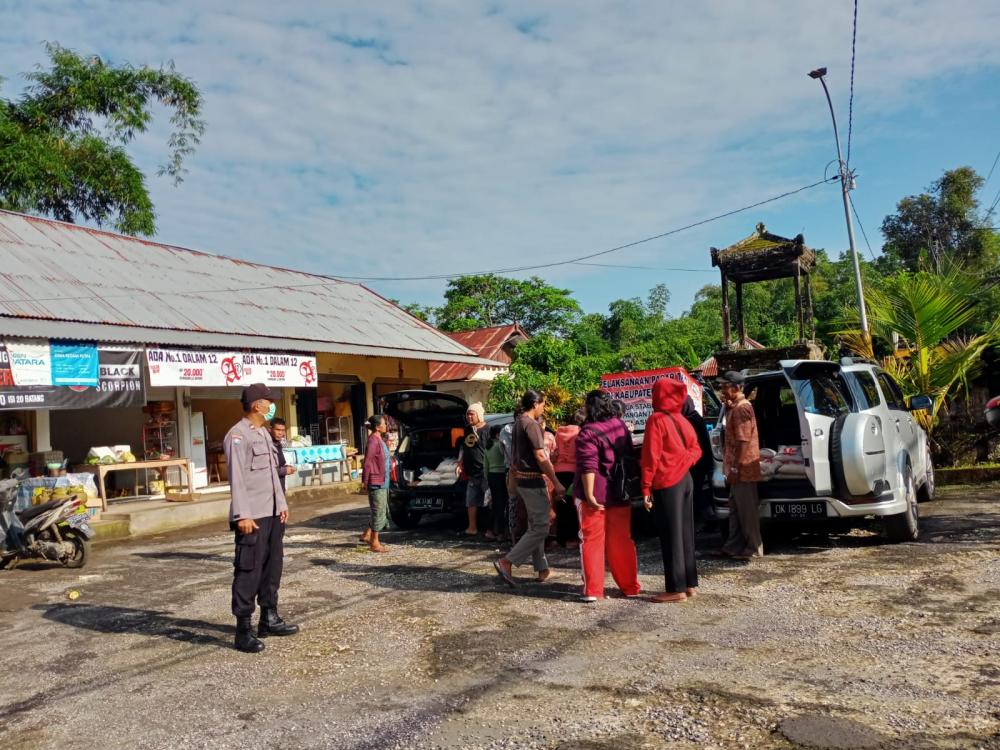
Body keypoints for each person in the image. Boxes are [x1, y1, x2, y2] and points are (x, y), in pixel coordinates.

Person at [225, 383, 299, 653]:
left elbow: (271, 474)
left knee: (272, 566)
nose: (271, 406)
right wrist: (242, 513)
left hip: (272, 513)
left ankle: (269, 617)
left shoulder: (265, 435)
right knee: (249, 570)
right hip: (252, 516)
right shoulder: (238, 436)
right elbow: (237, 479)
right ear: (257, 405)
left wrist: (281, 503)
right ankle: (243, 630)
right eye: (269, 401)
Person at [574, 390, 641, 602]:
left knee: (592, 540)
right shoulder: (619, 425)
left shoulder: (587, 432)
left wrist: (590, 494)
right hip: (620, 491)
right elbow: (629, 454)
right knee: (622, 540)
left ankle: (594, 590)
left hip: (597, 493)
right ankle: (630, 586)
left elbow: (588, 466)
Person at [641, 378, 703, 603]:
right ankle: (689, 584)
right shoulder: (683, 419)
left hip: (668, 482)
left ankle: (675, 588)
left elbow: (650, 457)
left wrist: (645, 486)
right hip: (686, 480)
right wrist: (684, 462)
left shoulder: (656, 420)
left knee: (671, 534)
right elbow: (697, 450)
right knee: (686, 533)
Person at [493, 391, 565, 586]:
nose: (544, 408)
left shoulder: (517, 423)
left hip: (521, 480)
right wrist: (556, 482)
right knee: (542, 526)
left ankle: (542, 569)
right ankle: (507, 561)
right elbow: (541, 457)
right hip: (532, 480)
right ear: (535, 404)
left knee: (535, 525)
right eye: (543, 404)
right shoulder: (531, 425)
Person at [717, 371, 763, 560]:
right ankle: (733, 546)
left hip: (743, 469)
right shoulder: (734, 407)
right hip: (736, 468)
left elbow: (743, 440)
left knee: (747, 511)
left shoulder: (743, 409)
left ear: (736, 388)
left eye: (725, 387)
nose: (722, 390)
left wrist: (736, 468)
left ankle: (754, 548)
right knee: (736, 510)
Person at [551, 408, 585, 548]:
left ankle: (562, 538)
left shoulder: (559, 431)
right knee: (573, 506)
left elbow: (555, 449)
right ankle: (572, 539)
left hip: (558, 472)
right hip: (573, 472)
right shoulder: (580, 432)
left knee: (561, 505)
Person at [681, 397, 715, 526]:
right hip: (705, 459)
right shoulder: (696, 416)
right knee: (702, 490)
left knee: (696, 490)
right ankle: (709, 518)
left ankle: (710, 518)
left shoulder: (690, 420)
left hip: (697, 461)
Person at [457, 403, 489, 536]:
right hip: (471, 473)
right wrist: (460, 462)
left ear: (479, 415)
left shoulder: (487, 429)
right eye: (468, 414)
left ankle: (490, 529)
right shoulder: (467, 430)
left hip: (485, 472)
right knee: (471, 501)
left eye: (472, 414)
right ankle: (472, 528)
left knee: (488, 502)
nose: (469, 417)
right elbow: (464, 448)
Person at [361, 414, 391, 553]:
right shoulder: (373, 440)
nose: (386, 425)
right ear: (378, 427)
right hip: (376, 481)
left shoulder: (380, 439)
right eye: (384, 423)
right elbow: (367, 462)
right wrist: (364, 481)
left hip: (383, 480)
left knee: (379, 509)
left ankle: (367, 534)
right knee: (378, 511)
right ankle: (374, 542)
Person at [484, 424, 510, 542]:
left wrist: (487, 479)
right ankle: (500, 533)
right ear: (498, 434)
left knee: (494, 504)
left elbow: (485, 465)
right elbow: (506, 460)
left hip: (491, 476)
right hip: (501, 475)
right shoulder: (500, 445)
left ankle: (489, 531)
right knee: (502, 504)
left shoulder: (488, 447)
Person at [269, 417, 296, 493]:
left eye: (283, 430)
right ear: (270, 429)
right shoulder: (267, 445)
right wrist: (284, 470)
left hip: (280, 487)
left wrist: (287, 467)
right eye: (277, 430)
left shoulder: (278, 444)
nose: (280, 433)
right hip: (270, 489)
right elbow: (266, 470)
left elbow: (279, 463)